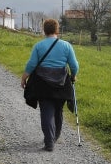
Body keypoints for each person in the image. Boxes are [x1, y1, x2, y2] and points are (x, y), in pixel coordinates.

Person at [21, 18, 79, 151]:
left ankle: (49, 142)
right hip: (62, 83)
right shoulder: (66, 46)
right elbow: (74, 65)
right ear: (57, 29)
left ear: (44, 30)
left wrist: (24, 78)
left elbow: (31, 64)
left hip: (42, 84)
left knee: (46, 112)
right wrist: (74, 75)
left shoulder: (39, 46)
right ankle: (54, 137)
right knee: (58, 111)